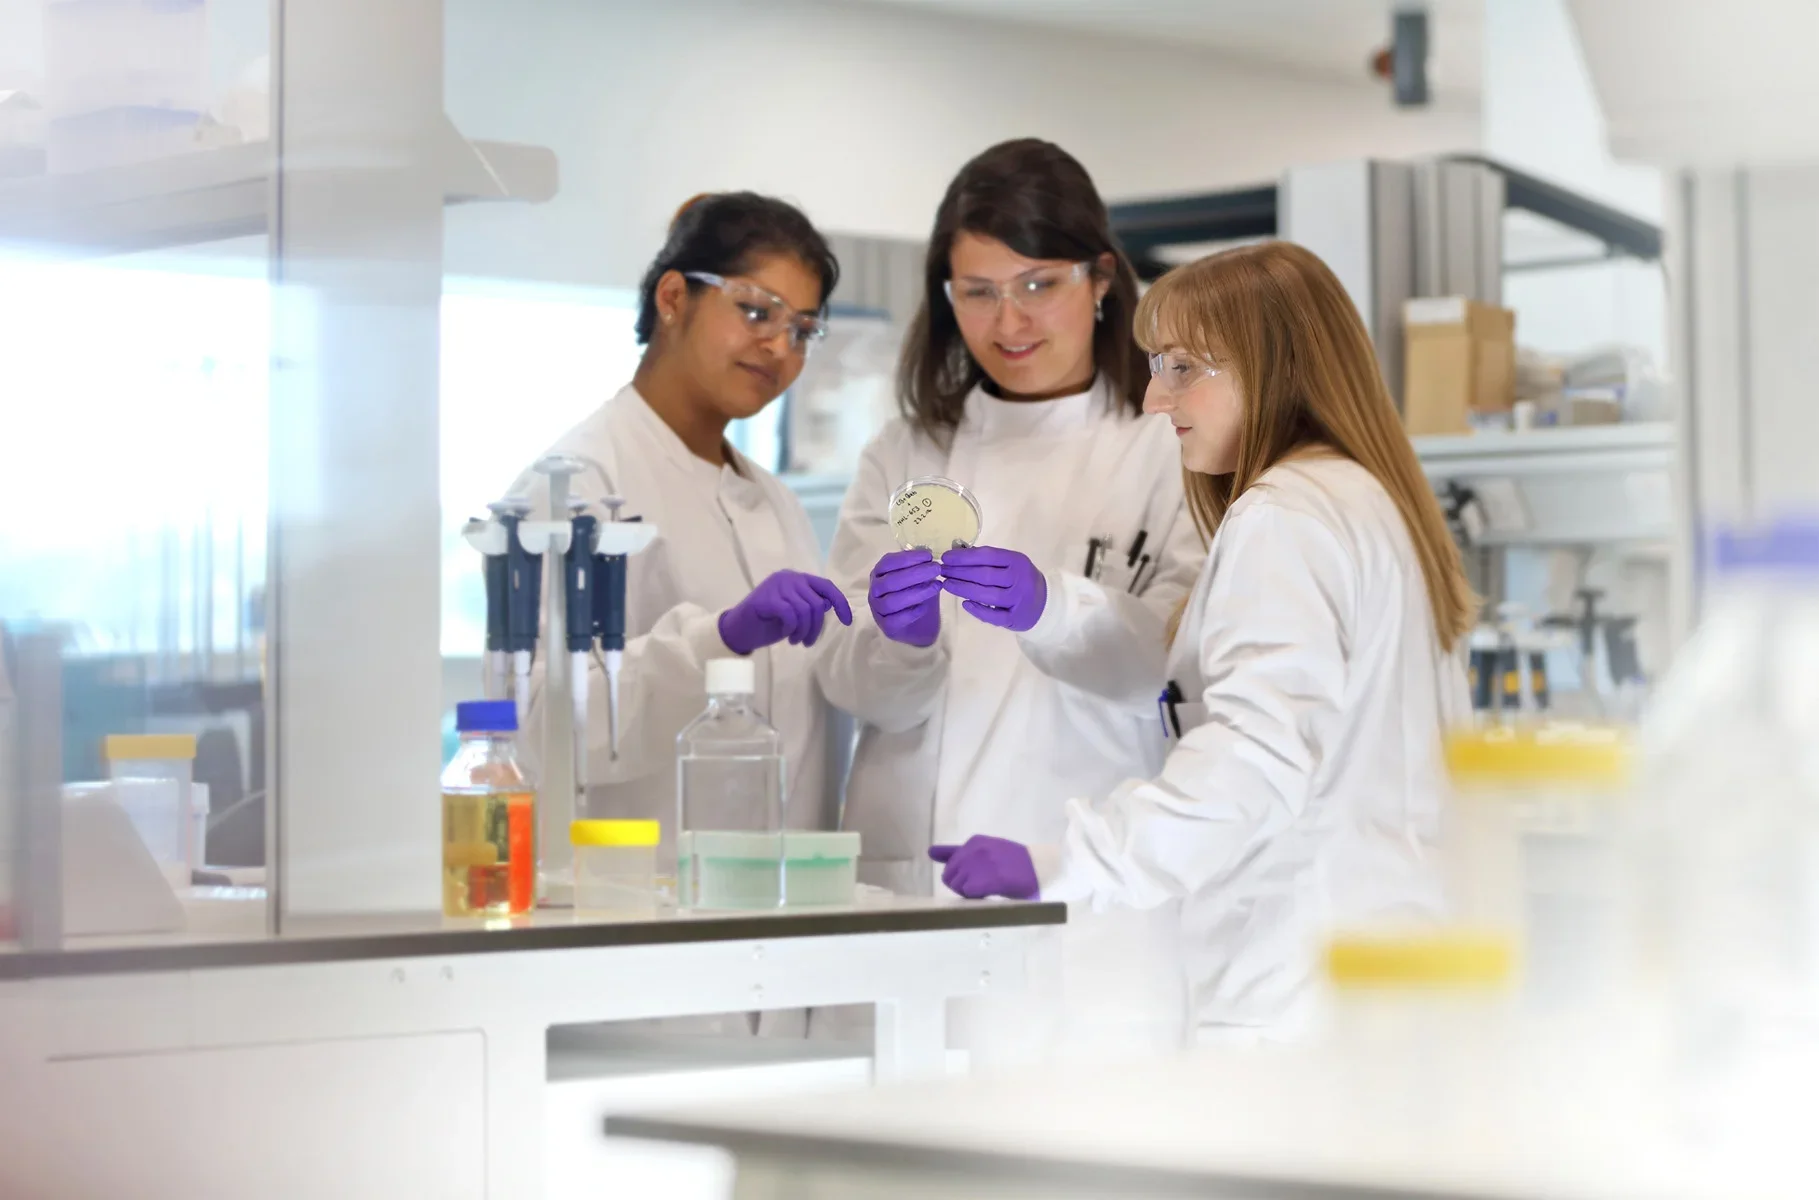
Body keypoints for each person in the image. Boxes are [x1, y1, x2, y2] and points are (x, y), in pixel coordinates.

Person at [929, 241, 1477, 1040]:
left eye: (1185, 367)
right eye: (1156, 365)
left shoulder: (1282, 516)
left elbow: (1255, 753)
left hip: (1293, 989)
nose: (1155, 398)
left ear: (1273, 365)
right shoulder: (1364, 502)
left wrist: (1069, 861)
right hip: (1383, 971)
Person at [815, 139, 1204, 898]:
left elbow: (1178, 666)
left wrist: (1055, 610)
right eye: (978, 291)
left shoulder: (1167, 446)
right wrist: (899, 645)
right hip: (909, 870)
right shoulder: (903, 452)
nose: (1009, 320)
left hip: (1081, 871)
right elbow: (851, 688)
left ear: (1099, 279)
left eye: (1037, 283)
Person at [509, 192, 851, 839]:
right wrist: (718, 641)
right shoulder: (580, 483)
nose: (780, 347)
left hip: (782, 906)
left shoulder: (774, 502)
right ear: (672, 299)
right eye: (756, 311)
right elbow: (539, 727)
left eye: (802, 330)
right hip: (641, 906)